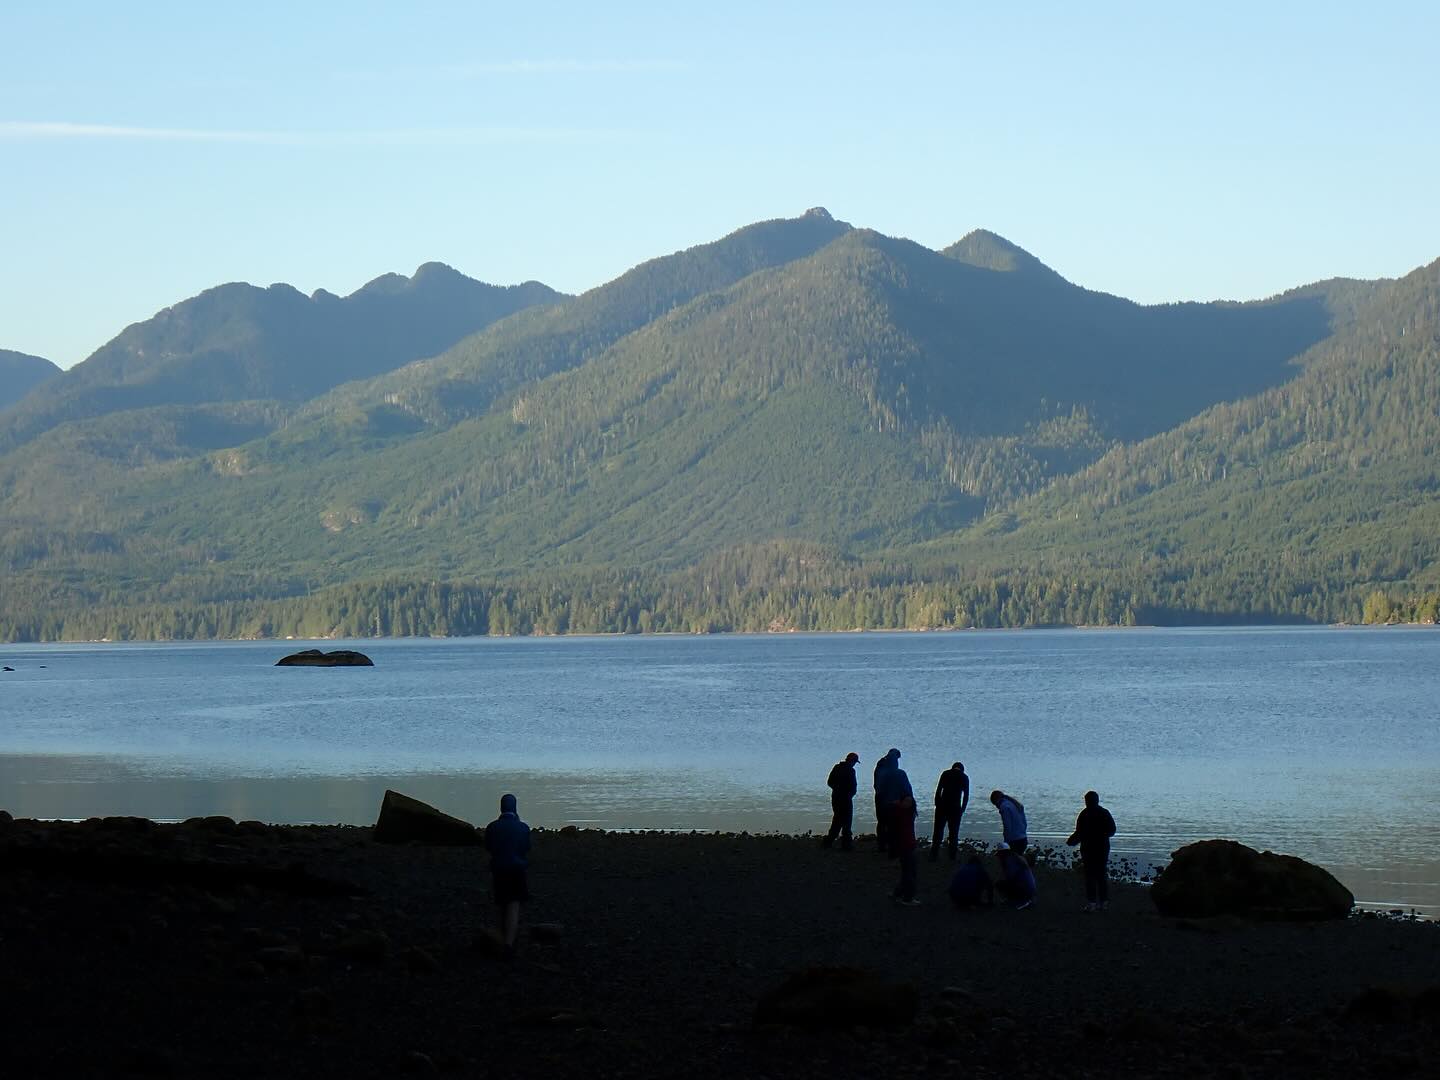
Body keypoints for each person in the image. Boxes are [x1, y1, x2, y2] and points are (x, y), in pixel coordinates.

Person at [484, 792, 531, 956]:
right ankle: (509, 943)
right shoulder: (523, 828)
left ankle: (502, 937)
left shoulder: (492, 827)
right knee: (513, 904)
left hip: (499, 869)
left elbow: (489, 847)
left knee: (502, 903)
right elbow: (526, 848)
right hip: (517, 869)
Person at [1066, 790, 1117, 911]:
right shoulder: (1104, 813)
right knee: (1101, 874)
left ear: (1086, 801)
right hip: (1102, 847)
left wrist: (1072, 840)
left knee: (1090, 875)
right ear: (1097, 800)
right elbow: (1112, 830)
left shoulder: (1084, 814)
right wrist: (1101, 834)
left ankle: (1092, 902)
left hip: (1088, 848)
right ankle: (1103, 902)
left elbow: (1079, 832)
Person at [930, 761, 970, 861]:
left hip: (942, 806)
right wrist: (962, 809)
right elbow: (966, 796)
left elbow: (938, 790)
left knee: (938, 831)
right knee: (954, 833)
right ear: (962, 769)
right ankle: (952, 856)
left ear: (953, 767)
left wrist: (937, 804)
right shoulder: (964, 777)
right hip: (955, 808)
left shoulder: (945, 773)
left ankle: (934, 854)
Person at [823, 752, 860, 850]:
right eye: (855, 762)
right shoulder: (851, 771)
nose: (855, 764)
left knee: (837, 819)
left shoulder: (837, 768)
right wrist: (850, 794)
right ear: (852, 761)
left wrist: (837, 790)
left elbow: (829, 782)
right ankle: (846, 844)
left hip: (836, 797)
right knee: (847, 821)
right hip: (846, 799)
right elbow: (853, 786)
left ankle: (828, 842)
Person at [891, 794, 920, 905]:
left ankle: (898, 893)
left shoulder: (908, 813)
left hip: (909, 844)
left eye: (910, 801)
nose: (908, 803)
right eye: (906, 801)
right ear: (901, 802)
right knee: (910, 873)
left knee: (907, 872)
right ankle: (908, 898)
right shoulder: (900, 814)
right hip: (905, 846)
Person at [872, 748, 901, 853]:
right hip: (889, 797)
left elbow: (876, 781)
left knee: (881, 821)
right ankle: (890, 844)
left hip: (879, 795)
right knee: (890, 821)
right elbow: (895, 779)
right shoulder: (892, 764)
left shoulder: (880, 763)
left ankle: (882, 845)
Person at [994, 842, 1037, 909]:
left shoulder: (1010, 860)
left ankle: (1023, 900)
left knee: (1000, 884)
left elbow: (1010, 877)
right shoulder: (1016, 857)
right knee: (1004, 883)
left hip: (1026, 888)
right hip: (1029, 887)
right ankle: (1020, 899)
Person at [989, 789, 1028, 855]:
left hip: (1014, 841)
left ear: (996, 800)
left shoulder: (1004, 807)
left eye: (995, 804)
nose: (997, 807)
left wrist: (1006, 841)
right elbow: (1024, 823)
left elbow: (1007, 825)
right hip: (1023, 838)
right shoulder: (1015, 804)